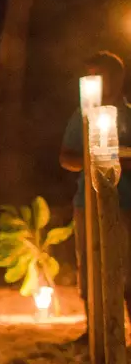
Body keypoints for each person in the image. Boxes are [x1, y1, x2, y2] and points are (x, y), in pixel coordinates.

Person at [59, 51, 131, 344]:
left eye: (99, 76)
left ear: (118, 77)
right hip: (87, 204)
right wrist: (92, 160)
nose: (94, 83)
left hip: (127, 204)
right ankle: (96, 333)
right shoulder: (82, 117)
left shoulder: (128, 115)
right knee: (90, 269)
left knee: (129, 272)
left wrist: (115, 159)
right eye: (89, 77)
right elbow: (66, 157)